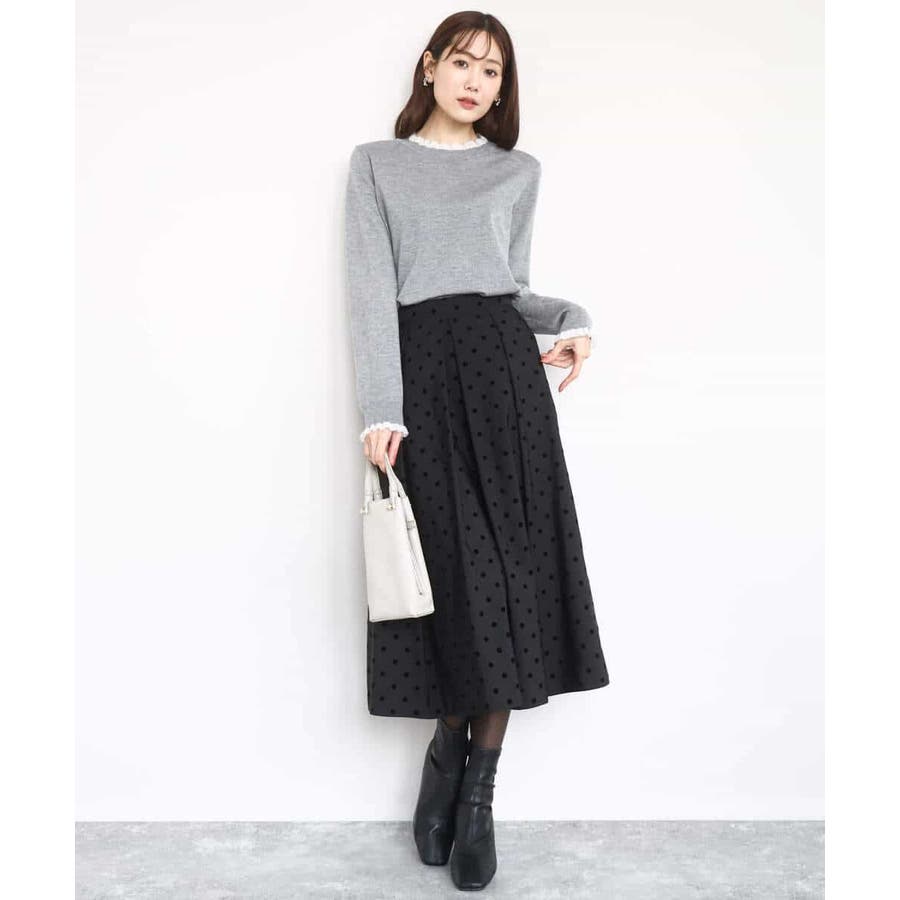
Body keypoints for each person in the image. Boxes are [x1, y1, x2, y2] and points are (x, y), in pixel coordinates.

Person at [344, 11, 610, 891]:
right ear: (430, 67)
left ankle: (477, 796)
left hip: (505, 383)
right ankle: (444, 748)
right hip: (422, 384)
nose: (475, 82)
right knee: (457, 581)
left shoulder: (516, 171)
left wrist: (572, 321)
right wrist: (381, 410)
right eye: (463, 63)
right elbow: (370, 293)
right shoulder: (376, 165)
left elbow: (511, 288)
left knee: (511, 583)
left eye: (492, 72)